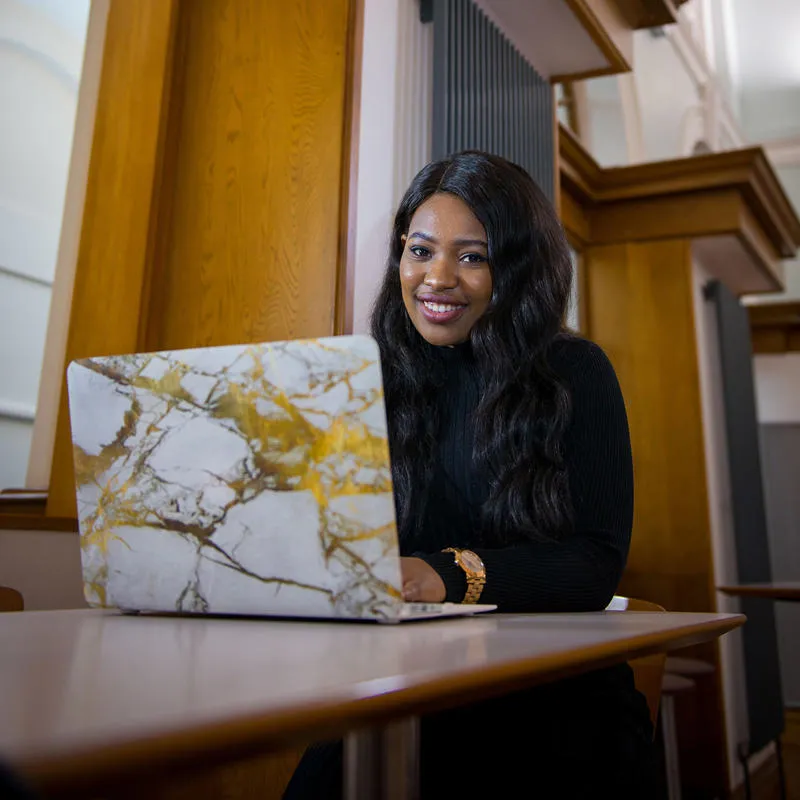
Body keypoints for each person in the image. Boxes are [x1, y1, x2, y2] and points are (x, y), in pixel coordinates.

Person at [283, 151, 661, 798]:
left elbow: (596, 562)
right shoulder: (373, 377)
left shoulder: (575, 373)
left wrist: (446, 573)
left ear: (514, 269)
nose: (436, 278)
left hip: (549, 700)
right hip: (406, 684)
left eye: (471, 256)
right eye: (421, 250)